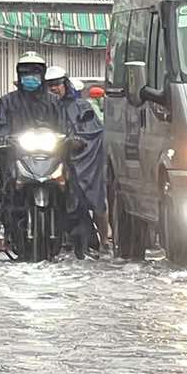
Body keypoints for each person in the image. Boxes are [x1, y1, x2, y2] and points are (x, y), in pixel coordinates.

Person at [0, 54, 70, 255]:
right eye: (25, 73)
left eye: (34, 73)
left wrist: (71, 138)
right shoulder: (7, 102)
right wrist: (1, 138)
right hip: (17, 156)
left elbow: (65, 126)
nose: (30, 77)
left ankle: (69, 234)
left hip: (49, 157)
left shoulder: (53, 102)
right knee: (7, 187)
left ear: (42, 75)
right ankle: (7, 231)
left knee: (70, 187)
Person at [49, 67, 109, 252]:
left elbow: (94, 132)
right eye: (50, 85)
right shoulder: (45, 108)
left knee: (96, 198)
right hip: (51, 158)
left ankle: (105, 241)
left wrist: (77, 141)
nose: (54, 88)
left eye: (57, 84)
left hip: (83, 160)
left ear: (65, 84)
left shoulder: (82, 106)